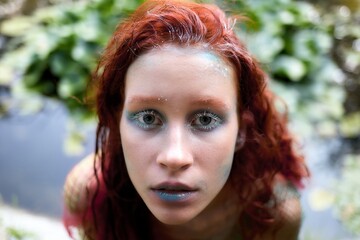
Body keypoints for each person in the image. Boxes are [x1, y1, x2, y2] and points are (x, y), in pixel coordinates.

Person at [63, 0, 309, 239]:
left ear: (241, 132)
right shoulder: (90, 193)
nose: (174, 157)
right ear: (117, 123)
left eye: (204, 119)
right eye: (148, 118)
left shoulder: (273, 213)